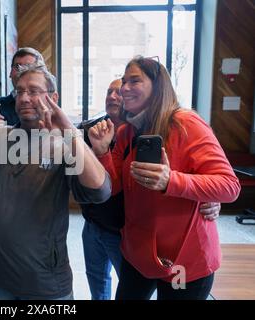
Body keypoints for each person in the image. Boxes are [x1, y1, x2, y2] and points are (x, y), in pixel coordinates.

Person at [89, 56, 240, 300]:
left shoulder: (185, 123)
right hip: (138, 255)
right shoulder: (127, 131)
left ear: (158, 86)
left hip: (184, 262)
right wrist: (102, 151)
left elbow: (229, 186)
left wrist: (171, 181)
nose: (124, 88)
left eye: (134, 81)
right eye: (124, 81)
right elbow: (113, 187)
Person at [0, 64, 111, 300]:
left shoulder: (65, 143)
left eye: (33, 91)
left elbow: (100, 190)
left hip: (45, 282)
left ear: (53, 98)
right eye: (19, 91)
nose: (24, 98)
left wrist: (68, 130)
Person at [0, 47, 45, 129]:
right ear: (10, 72)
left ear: (41, 74)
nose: (21, 71)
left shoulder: (48, 109)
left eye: (27, 66)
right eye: (17, 66)